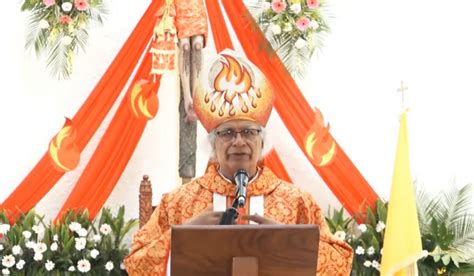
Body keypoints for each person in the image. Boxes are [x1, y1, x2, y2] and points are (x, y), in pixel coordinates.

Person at [125, 51, 353, 275]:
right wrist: (184, 236)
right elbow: (135, 263)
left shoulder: (298, 202)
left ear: (262, 141)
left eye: (248, 131)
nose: (239, 141)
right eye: (226, 133)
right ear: (213, 144)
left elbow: (341, 263)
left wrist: (289, 241)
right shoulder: (176, 203)